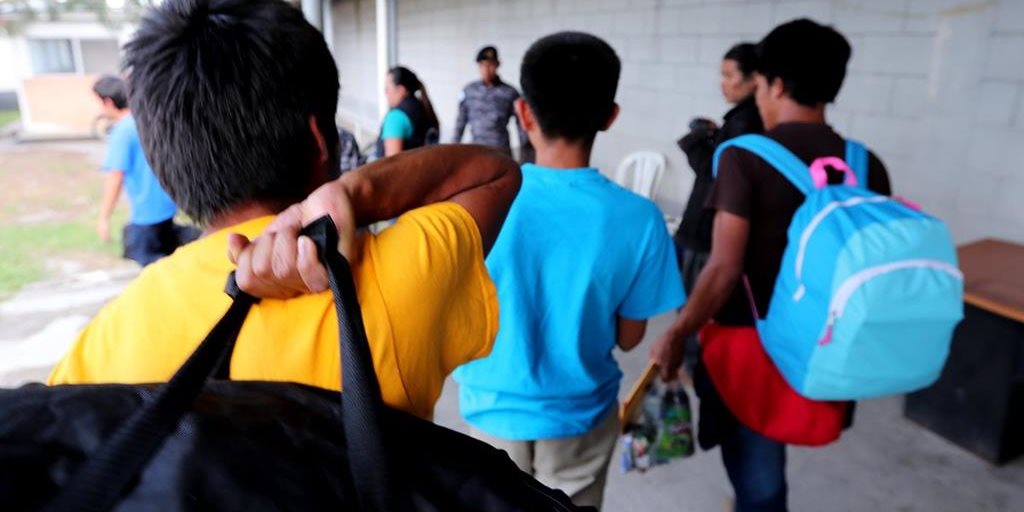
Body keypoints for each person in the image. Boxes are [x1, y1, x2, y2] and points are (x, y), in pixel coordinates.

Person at [49, 0, 521, 423]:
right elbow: (495, 172)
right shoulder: (392, 283)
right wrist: (357, 191)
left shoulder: (101, 343)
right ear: (321, 139)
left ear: (163, 162)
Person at [650, 19, 891, 511]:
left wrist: (679, 332)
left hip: (752, 347)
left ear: (775, 84)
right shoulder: (866, 164)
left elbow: (722, 269)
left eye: (759, 83)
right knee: (768, 461)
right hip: (826, 347)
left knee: (759, 478)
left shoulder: (744, 157)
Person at [453, 32, 686, 510]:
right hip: (581, 414)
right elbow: (628, 338)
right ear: (610, 116)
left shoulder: (473, 204)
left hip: (489, 410)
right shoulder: (641, 219)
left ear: (524, 113)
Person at [673, 43, 763, 370]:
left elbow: (715, 176)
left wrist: (697, 142)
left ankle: (694, 367)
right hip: (708, 229)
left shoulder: (744, 125)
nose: (723, 83)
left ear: (757, 80)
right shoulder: (742, 121)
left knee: (696, 303)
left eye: (729, 75)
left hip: (708, 231)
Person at [92, 75, 197, 266]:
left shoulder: (122, 132)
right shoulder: (147, 121)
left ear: (107, 102)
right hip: (168, 208)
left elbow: (115, 177)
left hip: (146, 216)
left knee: (152, 270)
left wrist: (103, 218)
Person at [452, 46, 534, 162]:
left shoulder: (510, 93)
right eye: (483, 65)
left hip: (501, 152)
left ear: (498, 65)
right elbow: (460, 122)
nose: (486, 69)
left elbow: (521, 125)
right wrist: (453, 150)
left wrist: (526, 157)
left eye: (490, 65)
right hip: (476, 151)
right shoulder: (469, 91)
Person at [376, 66, 440, 158]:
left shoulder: (396, 117)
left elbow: (392, 164)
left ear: (401, 90)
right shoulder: (422, 108)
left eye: (387, 89)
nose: (385, 93)